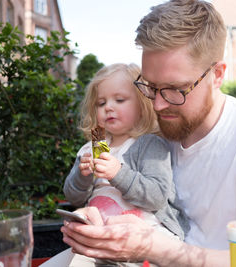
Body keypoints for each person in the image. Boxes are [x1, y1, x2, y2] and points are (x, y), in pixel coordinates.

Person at [59, 0, 236, 266]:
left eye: (175, 90)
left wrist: (153, 248)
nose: (158, 104)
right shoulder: (150, 134)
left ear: (217, 75)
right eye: (149, 87)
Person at [61, 63, 187, 266]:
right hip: (100, 242)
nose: (108, 107)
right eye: (101, 103)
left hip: (145, 241)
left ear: (142, 104)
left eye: (119, 100)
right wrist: (82, 176)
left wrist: (118, 173)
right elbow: (73, 197)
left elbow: (156, 196)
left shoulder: (148, 144)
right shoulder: (95, 145)